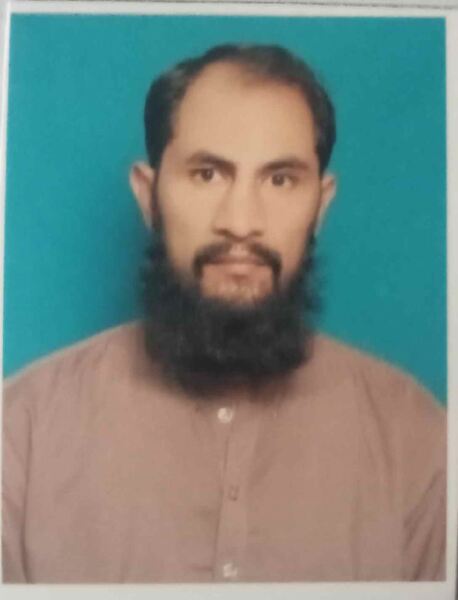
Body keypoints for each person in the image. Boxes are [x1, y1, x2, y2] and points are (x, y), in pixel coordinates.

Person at [2, 44, 445, 584]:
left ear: (320, 204)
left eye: (280, 180)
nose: (241, 221)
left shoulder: (417, 440)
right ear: (149, 196)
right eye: (208, 174)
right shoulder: (22, 431)